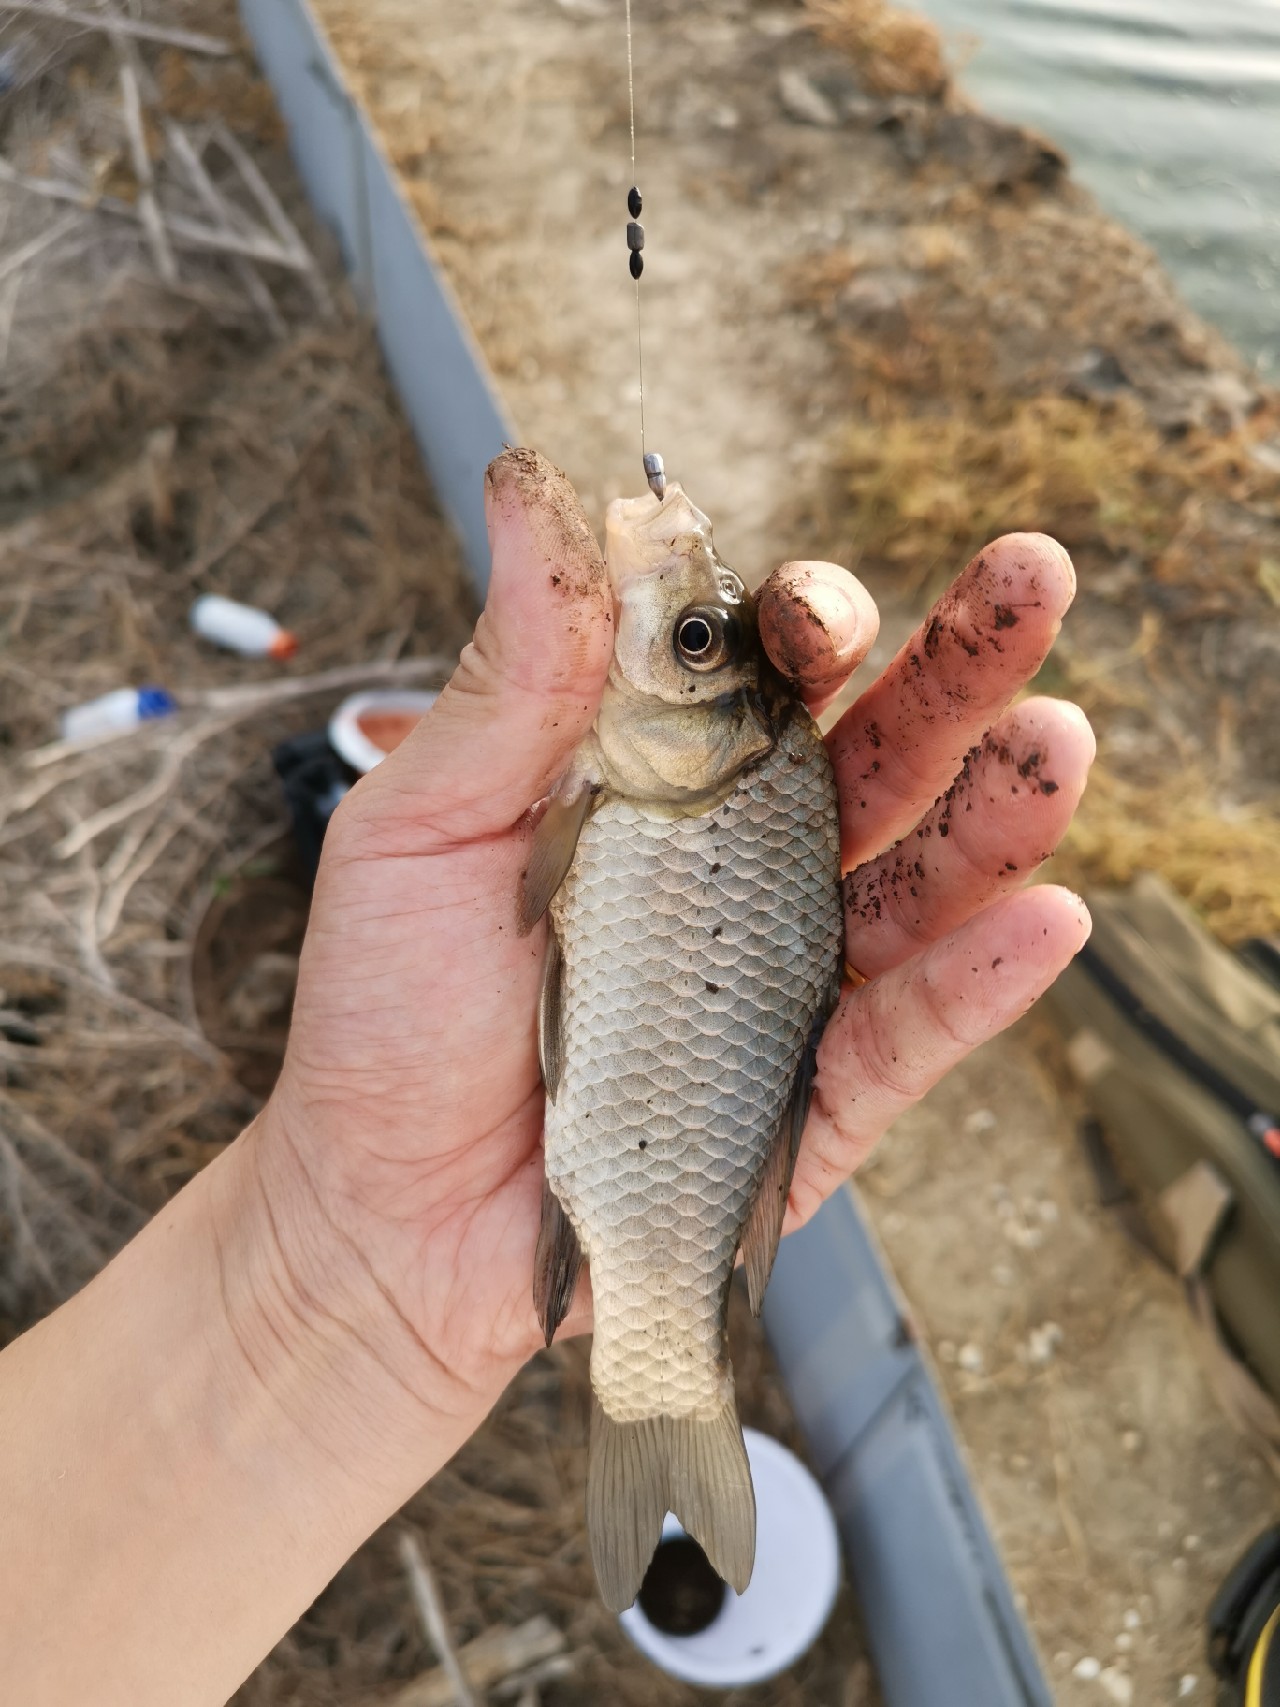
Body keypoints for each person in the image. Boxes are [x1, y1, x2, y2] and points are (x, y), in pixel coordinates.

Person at [0, 450, 1094, 1703]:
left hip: (646, 1161)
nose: (673, 631)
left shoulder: (654, 784)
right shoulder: (626, 773)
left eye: (687, 642)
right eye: (702, 637)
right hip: (611, 1142)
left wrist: (330, 1280)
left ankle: (667, 1396)